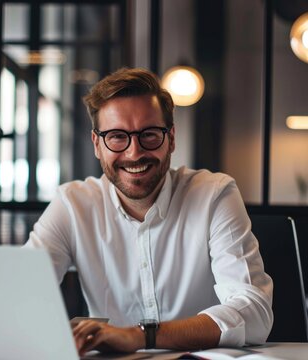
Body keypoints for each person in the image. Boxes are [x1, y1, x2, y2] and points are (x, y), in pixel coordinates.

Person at [25, 67, 273, 356]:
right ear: (97, 144)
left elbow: (254, 313)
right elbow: (20, 295)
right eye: (117, 136)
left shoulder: (214, 194)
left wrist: (140, 336)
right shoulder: (72, 204)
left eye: (150, 134)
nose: (134, 153)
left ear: (171, 139)